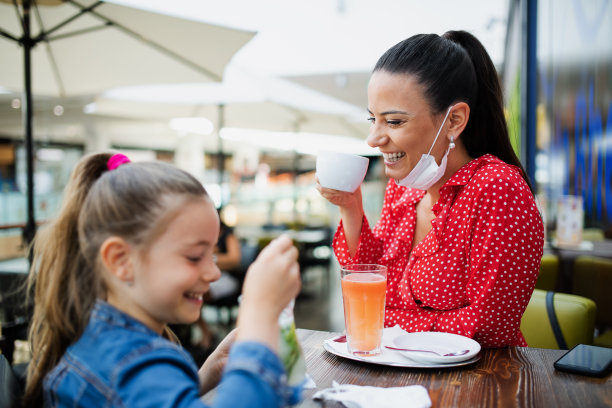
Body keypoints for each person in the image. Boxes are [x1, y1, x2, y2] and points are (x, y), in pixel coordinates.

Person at [317, 31, 544, 347]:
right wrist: (350, 206)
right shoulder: (404, 190)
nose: (373, 138)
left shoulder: (498, 190)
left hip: (479, 384)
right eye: (373, 119)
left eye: (394, 122)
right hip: (402, 376)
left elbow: (487, 326)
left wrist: (390, 320)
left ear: (453, 121)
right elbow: (368, 278)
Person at [24, 152, 302, 407]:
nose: (214, 273)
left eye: (212, 255)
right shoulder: (134, 363)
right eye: (194, 257)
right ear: (121, 261)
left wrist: (208, 372)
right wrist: (258, 316)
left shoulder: (99, 340)